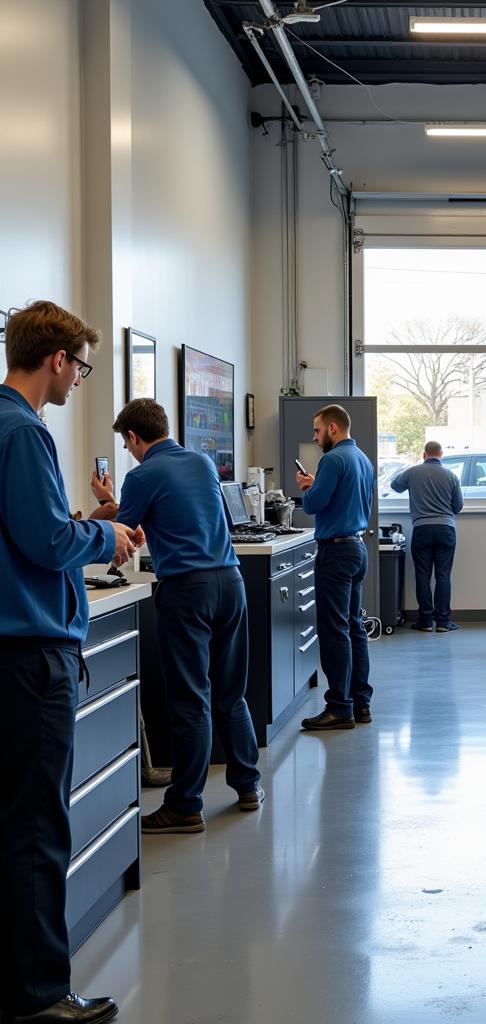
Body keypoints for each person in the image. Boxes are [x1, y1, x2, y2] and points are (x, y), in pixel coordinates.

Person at [0, 301, 139, 1024]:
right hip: (29, 656)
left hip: (11, 654)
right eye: (80, 366)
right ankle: (41, 996)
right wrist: (105, 535)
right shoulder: (22, 432)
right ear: (56, 359)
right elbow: (48, 543)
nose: (79, 379)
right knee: (36, 830)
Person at [90, 399, 262, 834]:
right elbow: (191, 517)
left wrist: (106, 504)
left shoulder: (142, 475)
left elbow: (121, 541)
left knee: (191, 701)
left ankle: (185, 805)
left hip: (188, 592)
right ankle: (248, 786)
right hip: (230, 582)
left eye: (126, 444)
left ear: (132, 437)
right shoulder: (202, 462)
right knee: (231, 694)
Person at [296, 404, 376, 731]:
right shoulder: (362, 459)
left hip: (335, 553)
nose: (315, 438)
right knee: (355, 627)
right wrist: (319, 484)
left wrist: (307, 488)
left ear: (332, 428)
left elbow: (314, 504)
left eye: (317, 431)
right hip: (356, 547)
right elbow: (346, 496)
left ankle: (338, 706)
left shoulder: (332, 459)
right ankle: (361, 702)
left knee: (334, 631)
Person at [390, 441, 464, 633]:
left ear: (424, 455)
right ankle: (443, 622)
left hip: (421, 529)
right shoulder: (451, 476)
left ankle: (424, 620)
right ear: (441, 454)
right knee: (443, 575)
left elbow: (394, 485)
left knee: (422, 576)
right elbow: (458, 507)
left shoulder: (412, 472)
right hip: (446, 529)